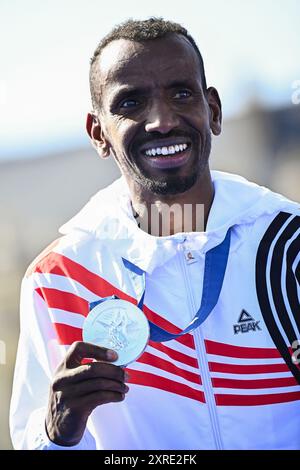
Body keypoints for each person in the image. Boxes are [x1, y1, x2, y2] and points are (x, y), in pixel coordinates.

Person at [10, 17, 300, 450]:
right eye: (130, 103)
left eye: (181, 93)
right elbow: (36, 441)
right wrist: (56, 432)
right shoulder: (57, 279)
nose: (162, 121)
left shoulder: (290, 244)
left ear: (213, 110)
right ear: (98, 133)